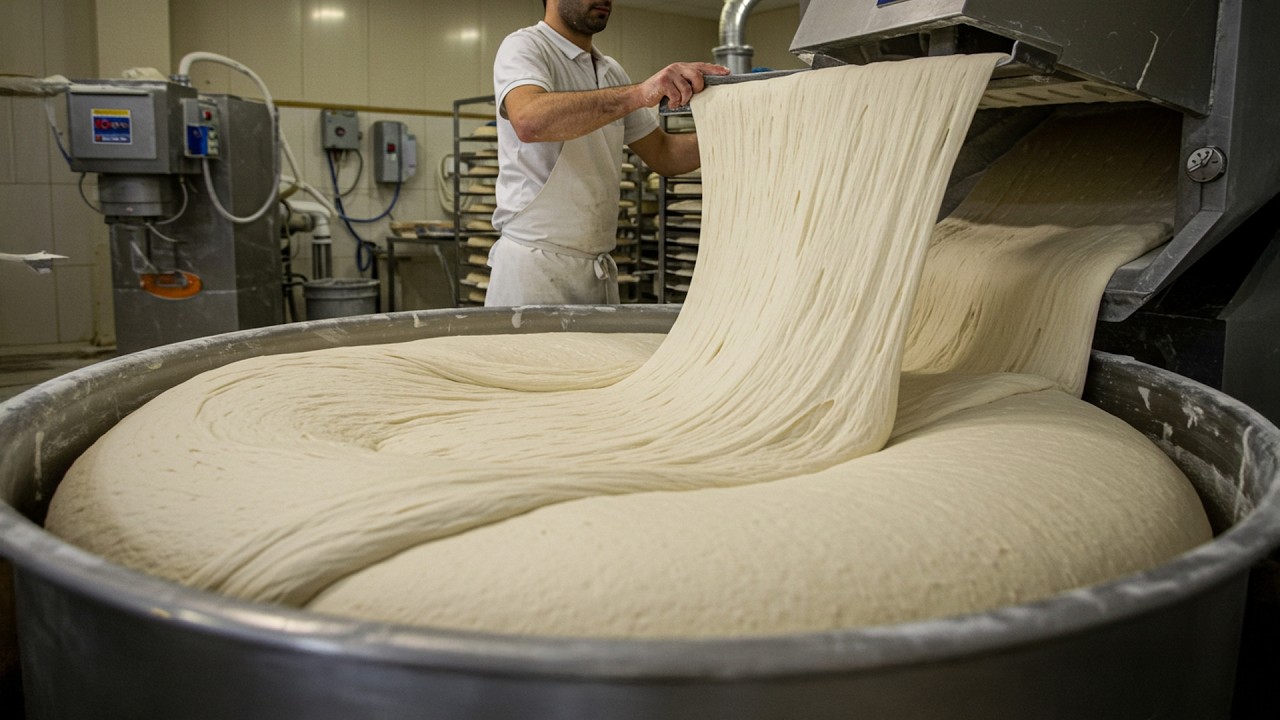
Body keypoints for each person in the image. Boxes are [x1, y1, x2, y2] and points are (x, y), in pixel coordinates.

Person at [485, 0, 729, 306]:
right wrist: (640, 94)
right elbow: (530, 120)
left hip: (595, 270)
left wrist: (737, 134)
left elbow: (664, 153)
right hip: (534, 270)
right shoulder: (525, 46)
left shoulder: (611, 71)